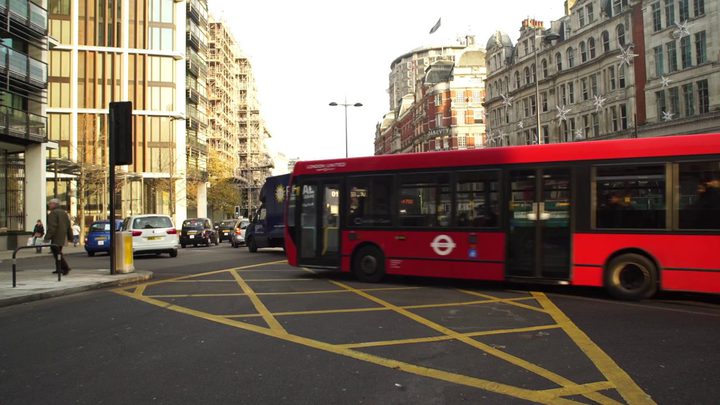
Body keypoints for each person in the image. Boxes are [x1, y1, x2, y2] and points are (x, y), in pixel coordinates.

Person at [43, 198, 72, 275]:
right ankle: (58, 268)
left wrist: (47, 237)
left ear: (55, 204)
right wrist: (70, 237)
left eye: (50, 203)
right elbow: (68, 225)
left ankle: (65, 267)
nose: (49, 205)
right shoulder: (64, 213)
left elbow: (52, 227)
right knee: (58, 252)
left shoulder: (53, 213)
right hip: (62, 236)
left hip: (56, 236)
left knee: (57, 253)